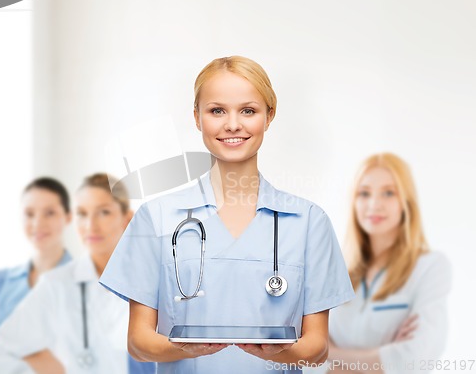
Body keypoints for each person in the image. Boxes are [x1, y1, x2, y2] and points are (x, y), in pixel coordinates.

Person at [99, 56, 355, 373]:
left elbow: (316, 349)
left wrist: (271, 352)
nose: (232, 124)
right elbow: (138, 343)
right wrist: (186, 349)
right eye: (217, 110)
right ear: (197, 117)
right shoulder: (156, 218)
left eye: (248, 110)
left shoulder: (309, 222)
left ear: (269, 116)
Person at [0, 174, 156, 374]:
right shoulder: (56, 285)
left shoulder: (152, 280)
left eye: (104, 212)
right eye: (82, 213)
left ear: (127, 219)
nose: (90, 226)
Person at [327, 153, 452, 374]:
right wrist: (386, 359)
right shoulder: (332, 270)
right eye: (364, 193)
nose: (374, 204)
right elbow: (303, 356)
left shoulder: (430, 268)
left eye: (388, 193)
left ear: (406, 202)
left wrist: (330, 355)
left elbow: (417, 357)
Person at [0, 177, 72, 362]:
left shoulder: (86, 284)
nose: (37, 223)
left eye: (50, 213)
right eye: (29, 214)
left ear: (68, 217)